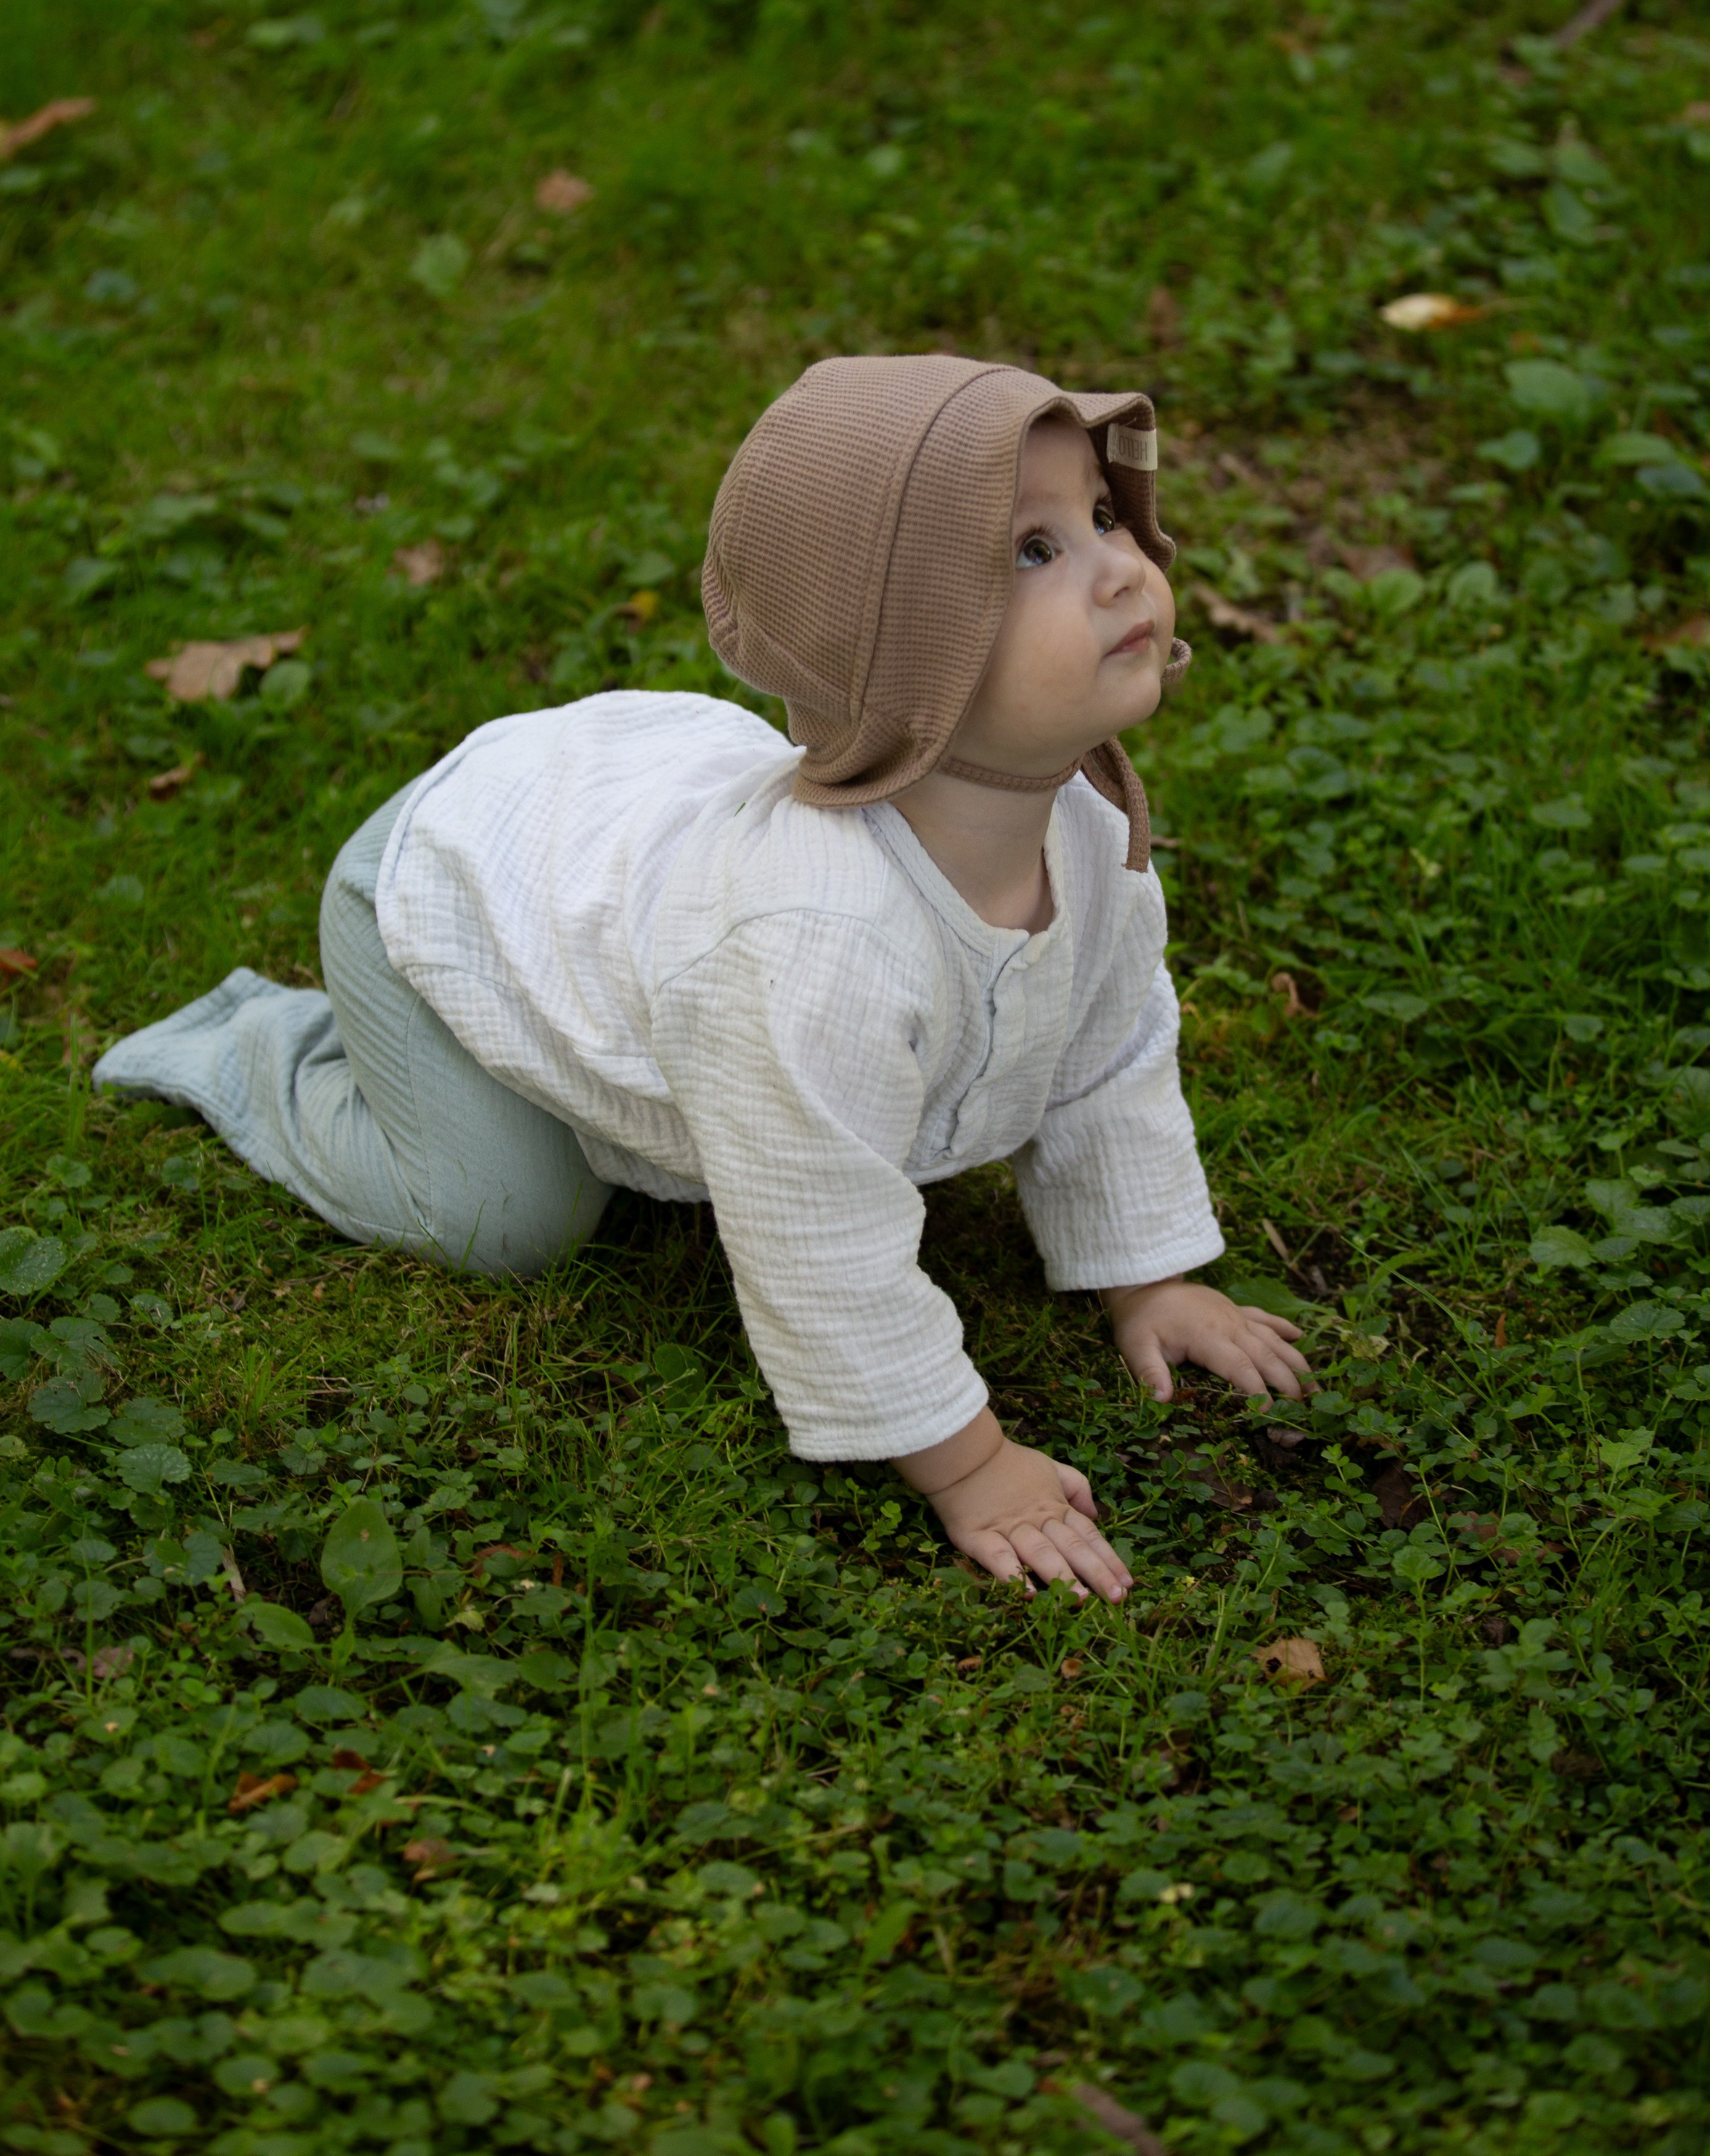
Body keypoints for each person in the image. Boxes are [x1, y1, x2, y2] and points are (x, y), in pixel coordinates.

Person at [97, 354, 1309, 1601]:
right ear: (895, 658)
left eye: (1103, 519)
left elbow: (1104, 1052)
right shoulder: (817, 943)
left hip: (621, 830)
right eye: (1030, 554)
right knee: (506, 1216)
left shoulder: (1088, 831)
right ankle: (266, 1041)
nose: (1119, 567)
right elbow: (812, 1228)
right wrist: (969, 1463)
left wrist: (1147, 1275)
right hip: (466, 887)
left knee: (778, 1088)